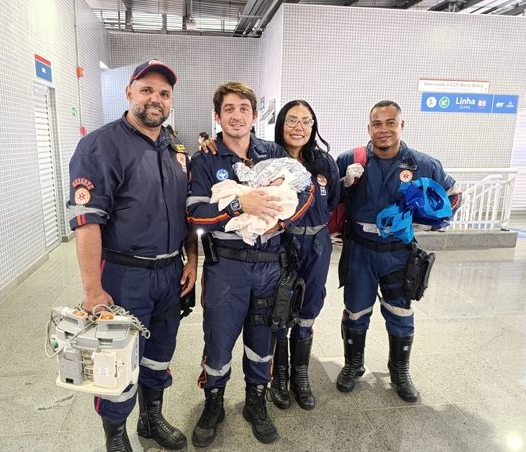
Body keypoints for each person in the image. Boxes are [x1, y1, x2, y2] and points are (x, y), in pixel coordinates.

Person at [67, 59, 198, 452]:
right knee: (115, 360)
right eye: (146, 90)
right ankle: (116, 434)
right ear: (129, 93)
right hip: (124, 276)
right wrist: (92, 290)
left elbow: (186, 212)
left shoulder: (174, 146)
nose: (155, 99)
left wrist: (192, 258)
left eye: (163, 93)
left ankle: (151, 417)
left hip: (170, 273)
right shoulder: (100, 145)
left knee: (159, 353)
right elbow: (87, 224)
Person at [186, 82, 313, 448]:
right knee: (219, 339)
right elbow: (195, 213)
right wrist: (240, 206)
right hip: (226, 267)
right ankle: (214, 403)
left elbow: (302, 193)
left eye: (243, 108)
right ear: (218, 116)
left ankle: (256, 402)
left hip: (270, 265)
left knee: (263, 338)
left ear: (255, 115)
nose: (236, 115)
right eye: (229, 109)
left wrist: (281, 221)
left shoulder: (273, 152)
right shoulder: (205, 160)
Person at [335, 100, 461, 403]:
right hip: (359, 251)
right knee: (356, 312)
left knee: (400, 313)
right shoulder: (350, 159)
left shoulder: (423, 164)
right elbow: (327, 197)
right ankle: (353, 364)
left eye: (391, 122)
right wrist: (343, 183)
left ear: (402, 126)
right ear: (369, 128)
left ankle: (400, 370)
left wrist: (428, 222)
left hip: (398, 253)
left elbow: (453, 197)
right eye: (377, 124)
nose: (384, 129)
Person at [268, 100, 341, 411]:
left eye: (306, 121)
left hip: (318, 244)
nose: (298, 127)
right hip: (281, 244)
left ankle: (300, 375)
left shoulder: (324, 163)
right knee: (281, 307)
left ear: (313, 127)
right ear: (281, 123)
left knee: (309, 306)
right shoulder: (268, 158)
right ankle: (280, 376)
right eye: (292, 120)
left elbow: (333, 200)